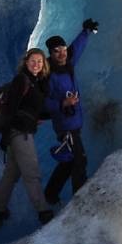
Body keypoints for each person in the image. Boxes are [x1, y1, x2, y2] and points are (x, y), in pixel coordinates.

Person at [0, 48, 54, 226]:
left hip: (20, 132)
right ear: (26, 62)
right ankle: (43, 212)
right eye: (33, 61)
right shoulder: (21, 80)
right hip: (19, 133)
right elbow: (10, 109)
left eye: (40, 62)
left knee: (11, 173)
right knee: (31, 173)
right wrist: (5, 136)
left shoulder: (35, 82)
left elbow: (32, 110)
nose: (36, 64)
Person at [43, 18, 99, 205]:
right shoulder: (48, 75)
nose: (62, 54)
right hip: (66, 127)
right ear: (50, 53)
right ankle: (81, 201)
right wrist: (63, 103)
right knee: (79, 161)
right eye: (57, 51)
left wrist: (86, 31)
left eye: (63, 49)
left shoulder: (67, 65)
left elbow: (77, 48)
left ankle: (50, 194)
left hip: (73, 124)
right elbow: (44, 103)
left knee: (68, 163)